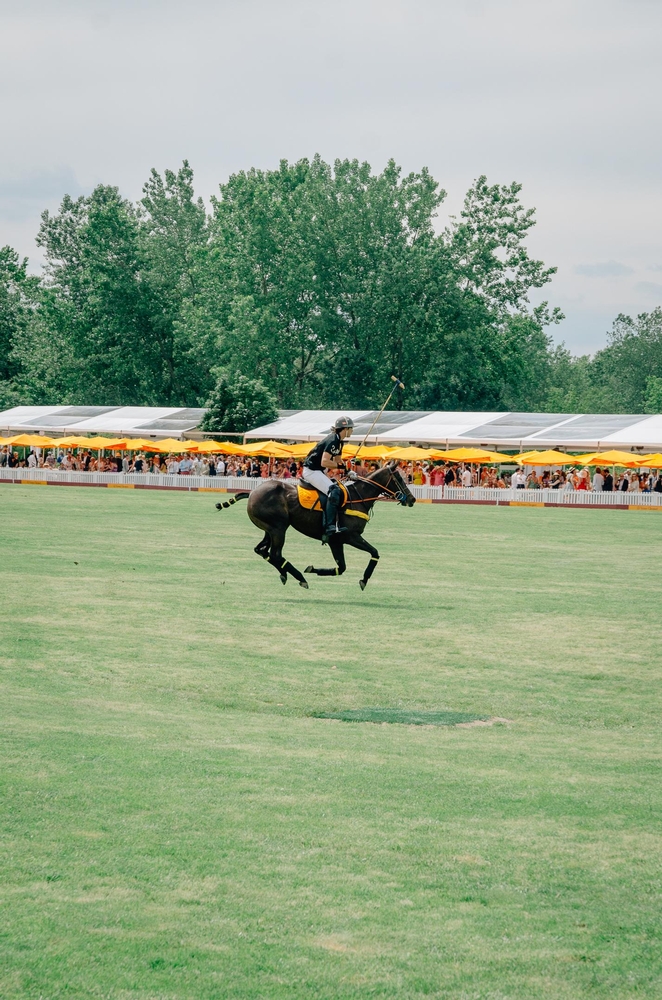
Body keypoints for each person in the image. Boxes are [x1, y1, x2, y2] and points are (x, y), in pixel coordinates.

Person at [302, 416, 354, 536]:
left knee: (338, 488)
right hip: (312, 470)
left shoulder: (339, 441)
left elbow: (337, 459)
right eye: (351, 428)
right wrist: (341, 467)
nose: (352, 431)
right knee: (333, 490)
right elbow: (324, 462)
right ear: (345, 429)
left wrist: (347, 470)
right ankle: (330, 526)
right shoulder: (332, 440)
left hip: (319, 471)